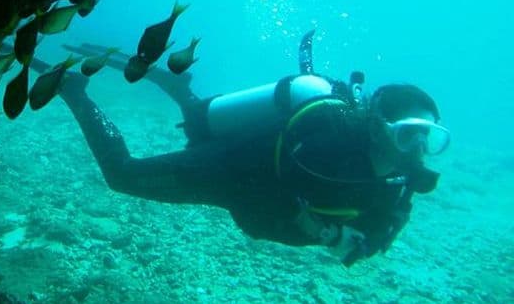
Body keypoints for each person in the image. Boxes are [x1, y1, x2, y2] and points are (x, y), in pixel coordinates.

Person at [38, 31, 449, 266]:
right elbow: (285, 181)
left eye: (428, 137)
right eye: (407, 133)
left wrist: (347, 240)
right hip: (234, 173)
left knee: (199, 124)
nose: (416, 148)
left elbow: (380, 235)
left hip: (256, 209)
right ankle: (74, 92)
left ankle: (183, 94)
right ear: (378, 126)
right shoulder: (330, 141)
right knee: (123, 175)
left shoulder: (401, 181)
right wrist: (316, 224)